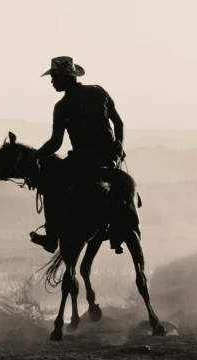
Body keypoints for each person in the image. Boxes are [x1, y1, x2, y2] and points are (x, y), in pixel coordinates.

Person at [29, 56, 126, 254]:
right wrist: (118, 146)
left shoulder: (62, 106)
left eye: (54, 77)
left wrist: (35, 156)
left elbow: (56, 143)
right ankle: (120, 228)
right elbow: (119, 123)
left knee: (51, 186)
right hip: (109, 157)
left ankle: (51, 237)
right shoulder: (99, 91)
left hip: (81, 162)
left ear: (65, 77)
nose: (52, 82)